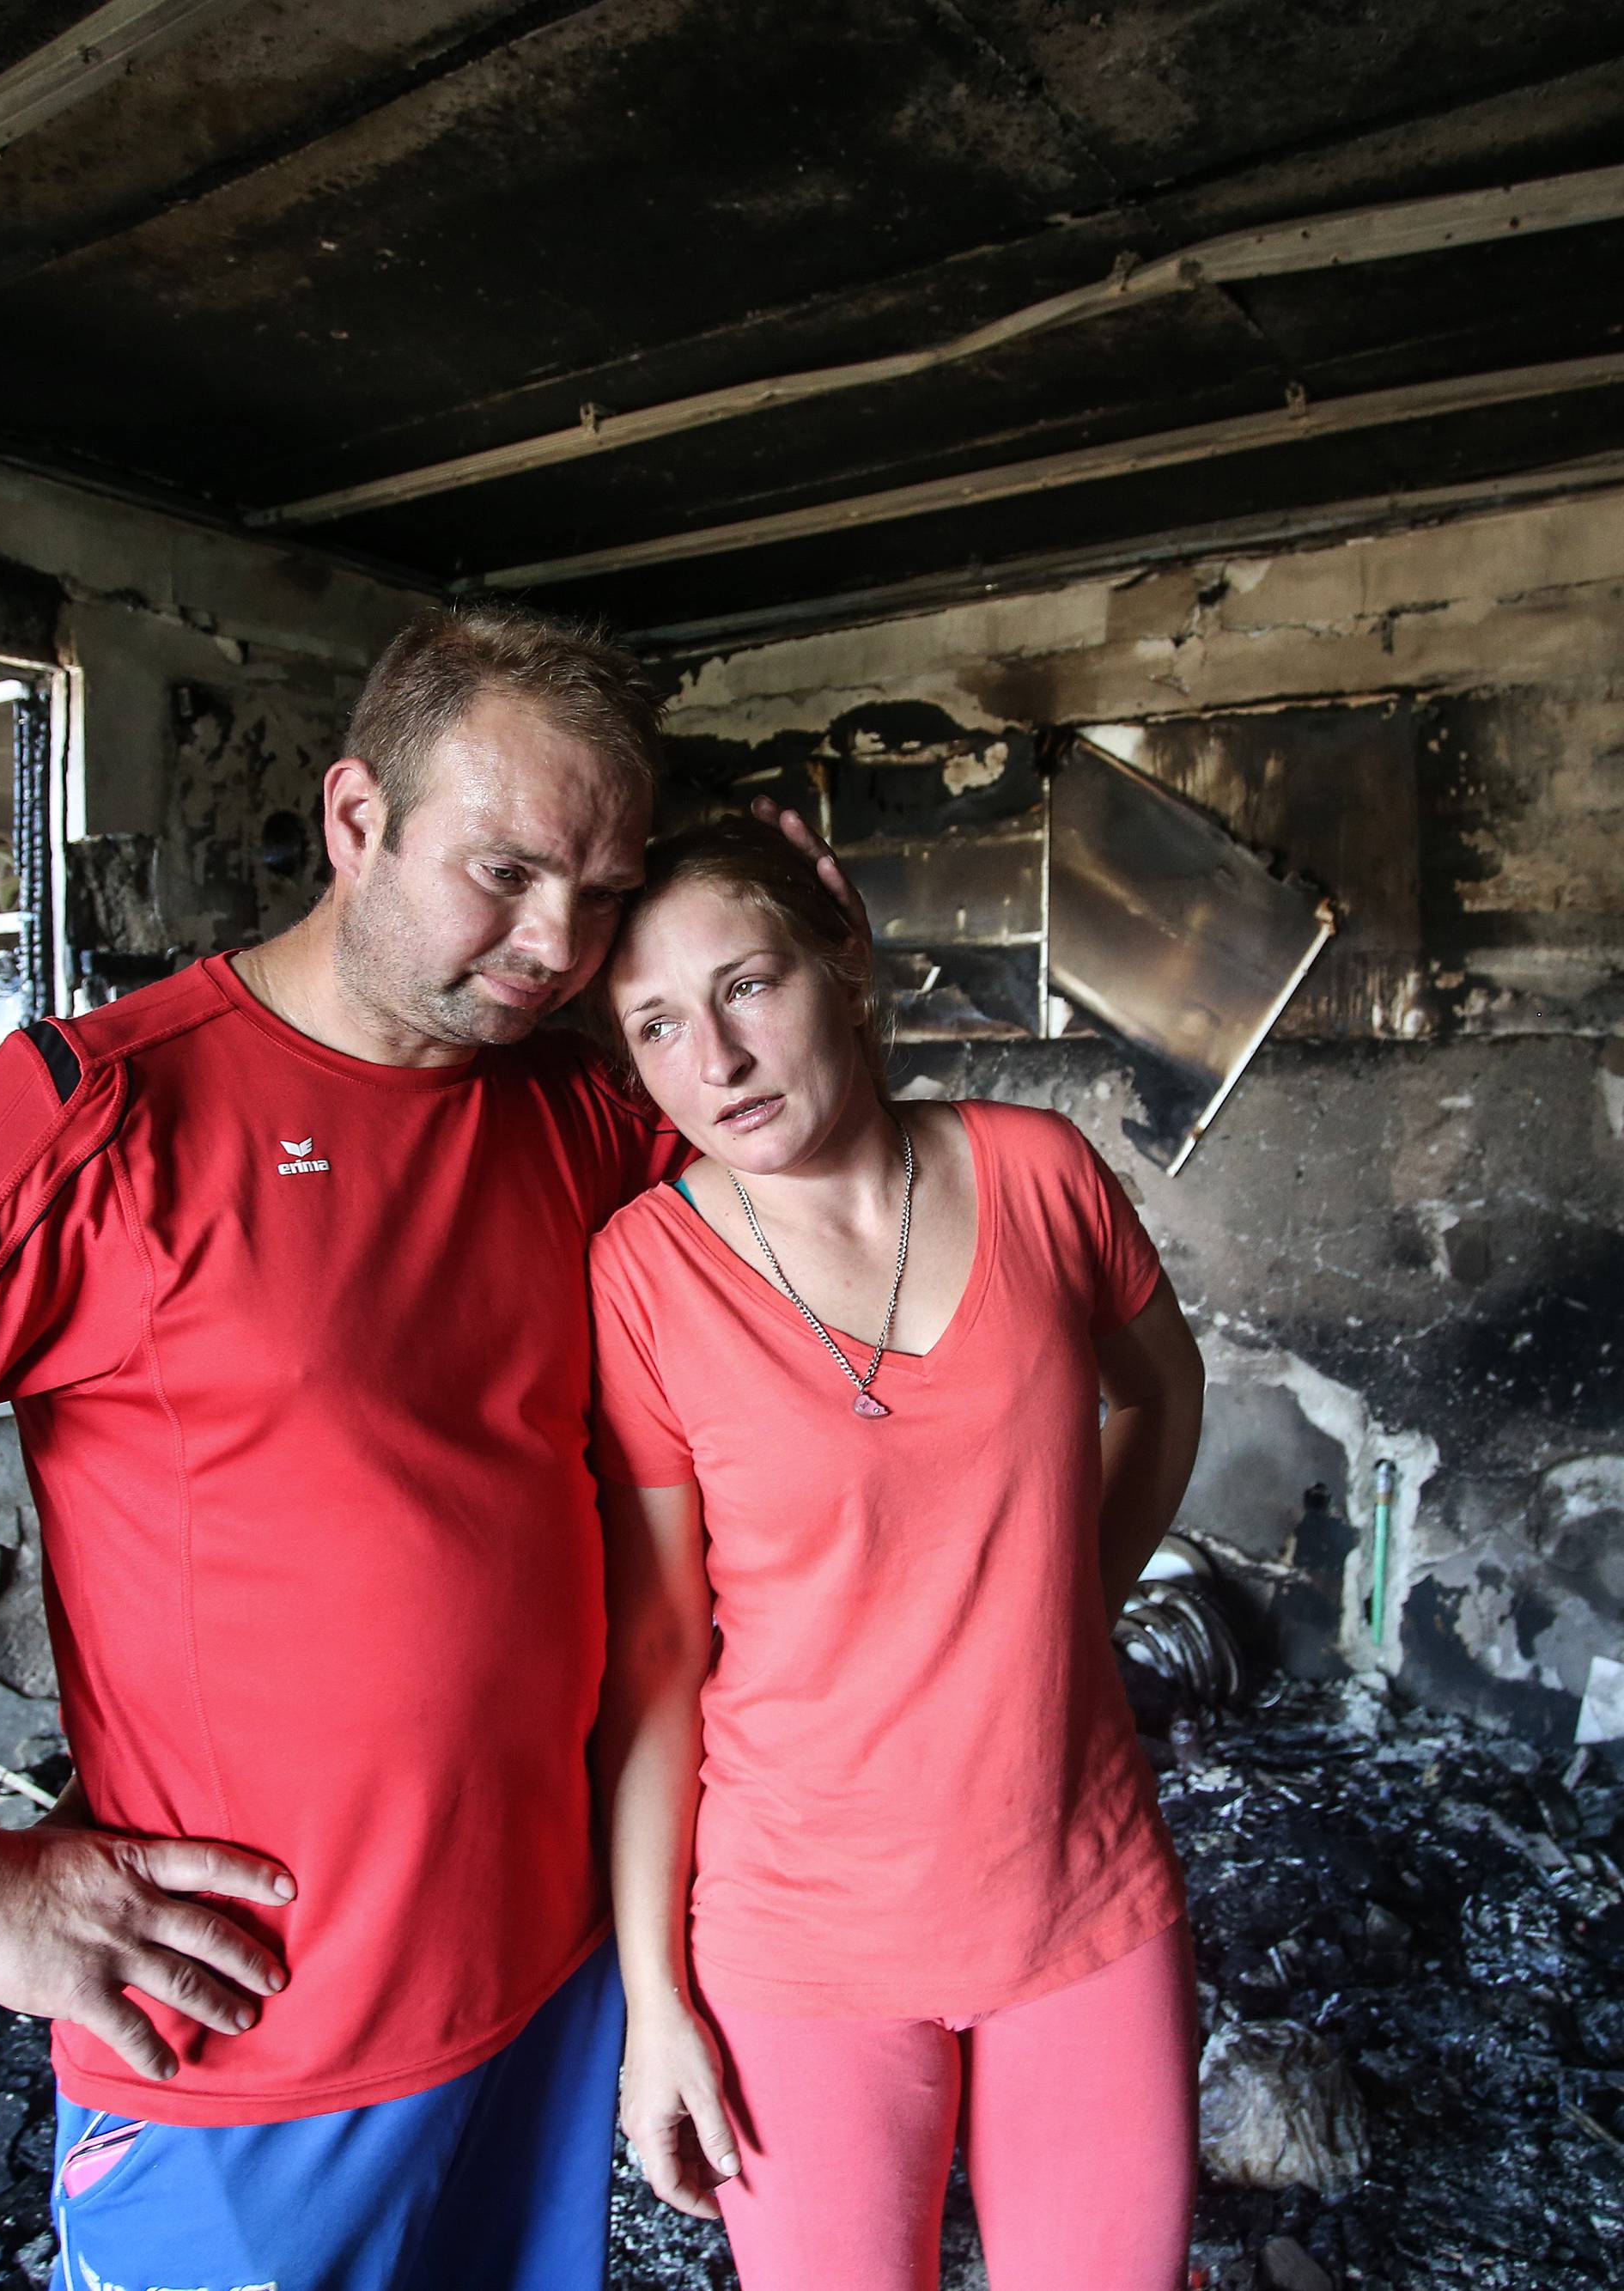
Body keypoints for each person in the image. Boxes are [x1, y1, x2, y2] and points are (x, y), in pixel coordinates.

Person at [0, 606, 854, 2291]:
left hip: (550, 1989)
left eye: (600, 897)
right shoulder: (100, 1112)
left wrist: (803, 977)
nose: (555, 944)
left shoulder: (576, 1114)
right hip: (257, 2051)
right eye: (509, 871)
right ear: (355, 818)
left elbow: (825, 1278)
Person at [590, 814, 1207, 2291]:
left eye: (746, 987)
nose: (716, 1062)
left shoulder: (1041, 1175)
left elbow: (1162, 1394)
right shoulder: (646, 1277)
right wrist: (652, 2003)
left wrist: (1062, 1602)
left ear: (841, 957)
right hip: (800, 1946)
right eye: (657, 1025)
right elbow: (662, 1656)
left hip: (1083, 1899)